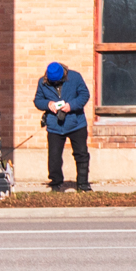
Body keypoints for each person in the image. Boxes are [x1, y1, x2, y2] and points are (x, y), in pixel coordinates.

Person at [35, 59, 91, 192]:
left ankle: (83, 184)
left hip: (77, 123)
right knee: (54, 156)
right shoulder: (42, 82)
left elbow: (84, 95)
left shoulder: (75, 77)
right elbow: (38, 100)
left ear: (64, 74)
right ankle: (56, 184)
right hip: (54, 125)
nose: (55, 84)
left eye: (58, 81)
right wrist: (48, 104)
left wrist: (71, 106)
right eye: (52, 82)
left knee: (81, 154)